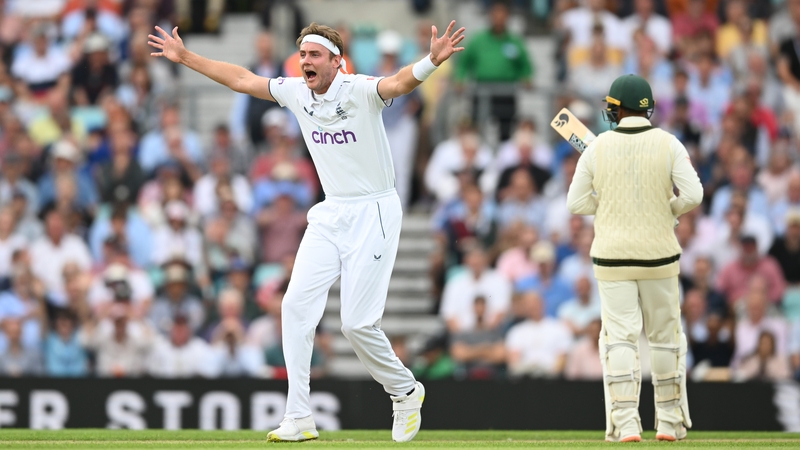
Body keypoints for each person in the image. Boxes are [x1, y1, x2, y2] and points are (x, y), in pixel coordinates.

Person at [148, 19, 466, 442]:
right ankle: (298, 414)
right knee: (294, 306)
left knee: (356, 324)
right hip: (331, 211)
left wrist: (430, 61)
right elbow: (242, 80)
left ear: (338, 62)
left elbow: (397, 85)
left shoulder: (358, 89)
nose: (305, 62)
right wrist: (185, 57)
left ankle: (405, 391)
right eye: (302, 56)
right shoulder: (297, 91)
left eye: (314, 55)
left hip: (375, 210)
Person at [567, 75, 703, 442]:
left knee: (620, 339)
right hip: (659, 255)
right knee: (665, 337)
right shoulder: (668, 142)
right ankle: (670, 423)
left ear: (618, 108)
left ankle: (626, 423)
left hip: (613, 258)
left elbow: (576, 203)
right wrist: (668, 209)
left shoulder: (597, 148)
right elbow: (694, 193)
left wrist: (609, 205)